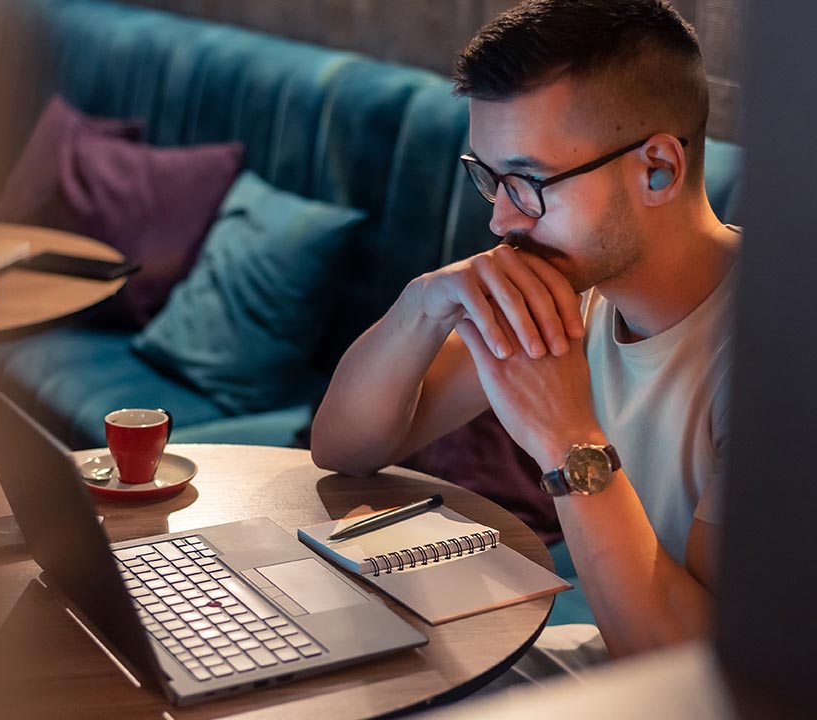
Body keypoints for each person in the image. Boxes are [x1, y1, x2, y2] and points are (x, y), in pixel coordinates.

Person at [311, 0, 739, 671]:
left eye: (529, 181)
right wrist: (422, 305)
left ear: (657, 167)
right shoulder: (571, 284)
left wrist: (569, 441)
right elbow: (345, 447)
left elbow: (700, 674)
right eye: (488, 178)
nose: (501, 220)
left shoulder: (780, 359)